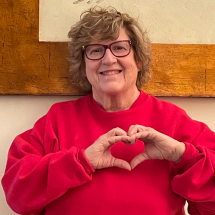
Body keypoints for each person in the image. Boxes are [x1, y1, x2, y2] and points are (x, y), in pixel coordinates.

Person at [2, 6, 215, 215]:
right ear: (83, 64)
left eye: (120, 47)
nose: (108, 59)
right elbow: (17, 194)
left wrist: (182, 155)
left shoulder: (174, 120)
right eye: (95, 50)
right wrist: (80, 161)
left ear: (139, 59)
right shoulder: (57, 120)